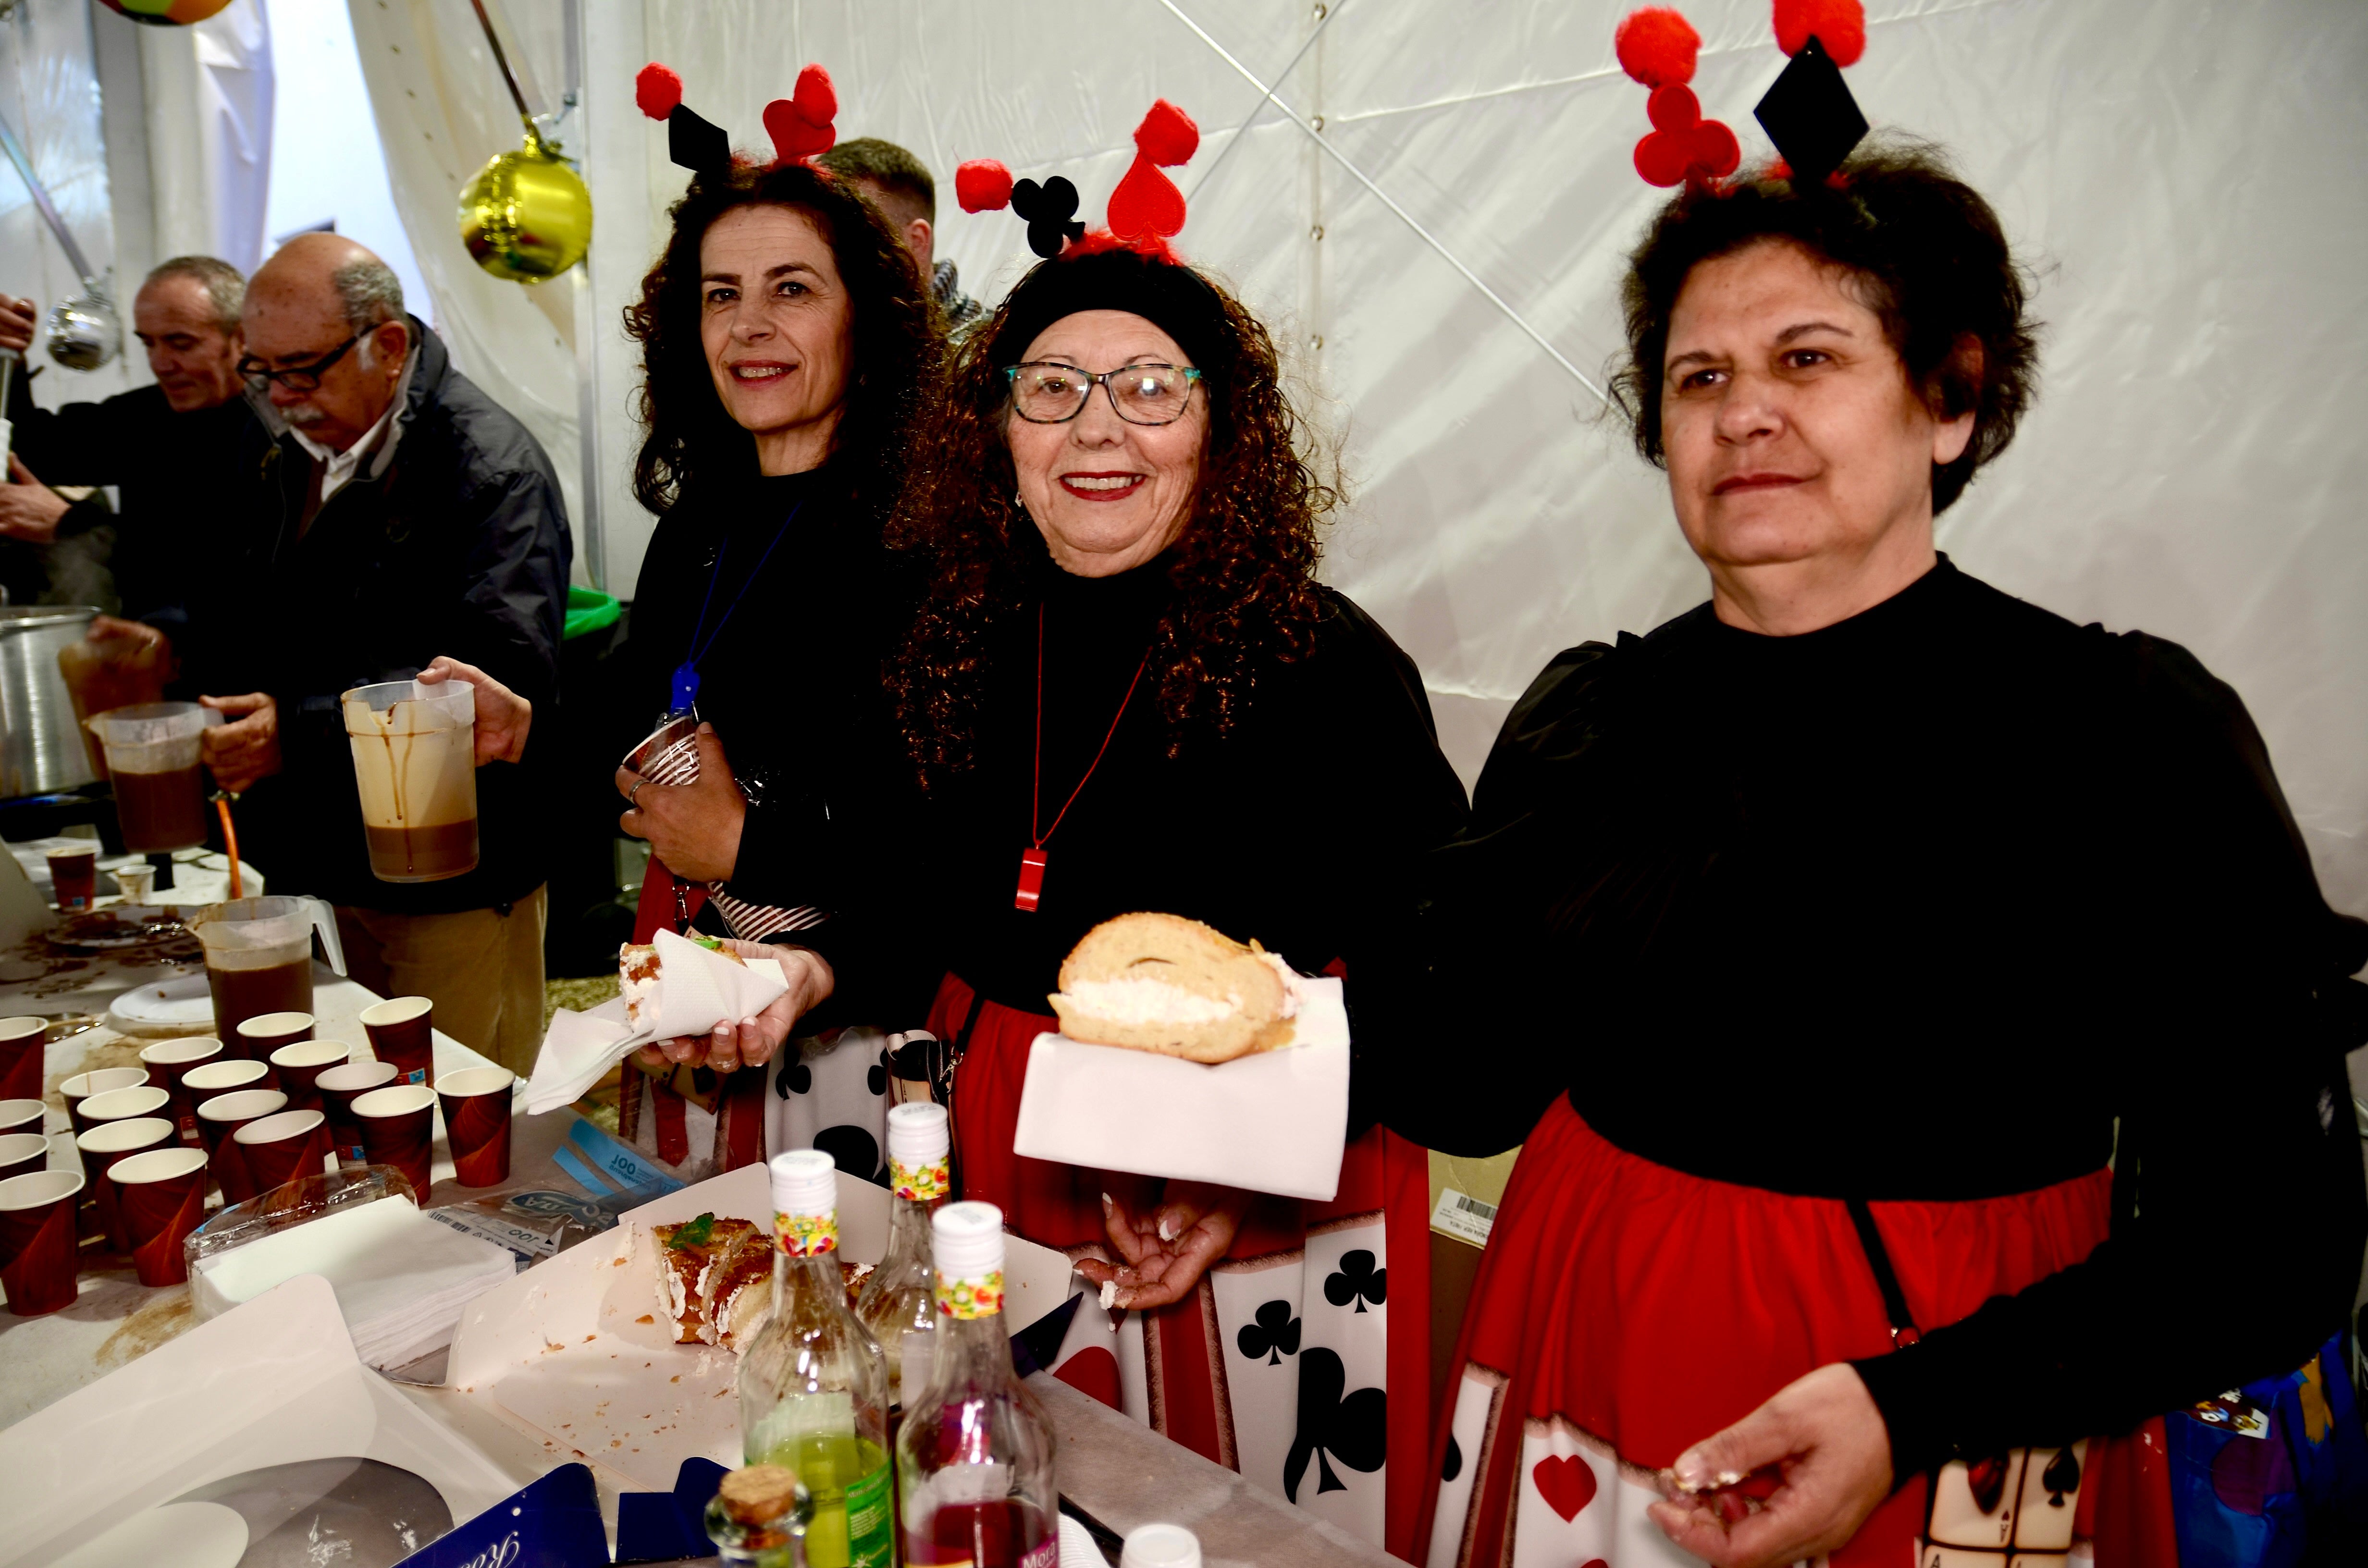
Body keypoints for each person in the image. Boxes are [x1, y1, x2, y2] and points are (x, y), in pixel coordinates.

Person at [1372, 142, 2368, 1568]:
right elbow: (1460, 1075)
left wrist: (1914, 1409)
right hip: (1592, 1340)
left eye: (1807, 357)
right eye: (1697, 376)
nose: (1743, 411)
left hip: (1964, 1399)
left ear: (1949, 398)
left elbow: (2274, 1242)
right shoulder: (1595, 717)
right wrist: (1219, 1111)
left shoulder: (2122, 733)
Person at [740, 236, 1470, 1556]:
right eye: (1053, 387)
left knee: (1209, 1522)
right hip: (999, 1128)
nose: (1096, 428)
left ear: (1220, 430)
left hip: (1250, 1169)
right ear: (997, 428)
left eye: (1148, 387)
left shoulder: (1326, 664)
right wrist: (816, 963)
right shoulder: (949, 635)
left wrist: (1241, 1154)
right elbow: (914, 899)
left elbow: (1438, 981)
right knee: (994, 1491)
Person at [195, 233, 571, 1076]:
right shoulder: (286, 449)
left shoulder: (487, 467)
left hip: (452, 878)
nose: (280, 396)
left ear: (389, 344)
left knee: (462, 1109)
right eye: (259, 371)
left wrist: (293, 731)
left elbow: (492, 683)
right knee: (339, 1100)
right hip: (318, 860)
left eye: (302, 370)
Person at [600, 152, 939, 1077]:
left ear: (865, 313)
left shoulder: (933, 534)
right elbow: (639, 701)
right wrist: (524, 730)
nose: (748, 325)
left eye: (791, 288)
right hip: (696, 971)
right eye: (722, 294)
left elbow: (959, 849)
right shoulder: (698, 523)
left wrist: (747, 845)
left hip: (856, 1016)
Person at [0, 257, 256, 634]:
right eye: (148, 343)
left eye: (181, 344)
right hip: (146, 648)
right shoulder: (145, 415)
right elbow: (34, 449)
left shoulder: (277, 427)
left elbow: (222, 560)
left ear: (242, 338)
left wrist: (72, 525)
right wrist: (9, 358)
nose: (161, 364)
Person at [815, 137, 983, 331]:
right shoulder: (832, 335)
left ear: (916, 241)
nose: (833, 257)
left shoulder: (998, 343)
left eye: (855, 236)